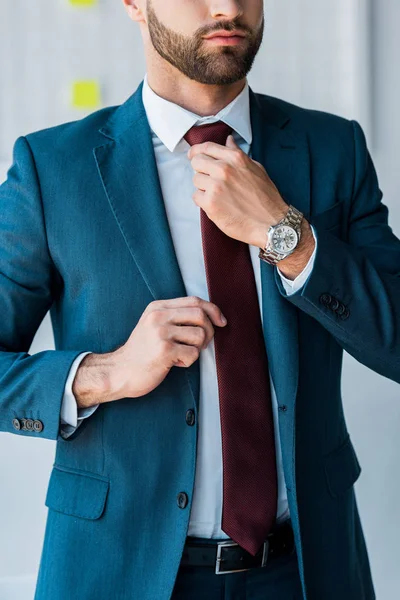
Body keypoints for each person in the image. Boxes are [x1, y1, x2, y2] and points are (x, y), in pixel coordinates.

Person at [1, 0, 399, 598]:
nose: (227, 8)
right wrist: (103, 374)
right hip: (117, 572)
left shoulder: (332, 149)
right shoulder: (52, 169)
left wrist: (285, 235)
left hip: (309, 571)